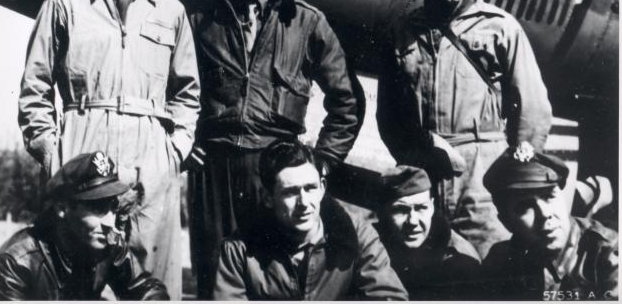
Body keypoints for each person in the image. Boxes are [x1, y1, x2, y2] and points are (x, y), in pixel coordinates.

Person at [17, 0, 201, 297]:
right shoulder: (66, 3)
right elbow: (35, 87)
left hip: (151, 157)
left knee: (152, 285)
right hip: (84, 148)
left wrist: (175, 150)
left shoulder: (170, 11)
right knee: (77, 280)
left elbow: (188, 92)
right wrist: (51, 151)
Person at [187, 0, 362, 296]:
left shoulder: (306, 22)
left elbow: (346, 101)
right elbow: (170, 87)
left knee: (272, 278)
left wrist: (323, 162)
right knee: (212, 275)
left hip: (275, 171)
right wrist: (185, 140)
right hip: (214, 169)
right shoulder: (201, 19)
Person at [376, 0, 553, 257]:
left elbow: (533, 111)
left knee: (490, 268)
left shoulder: (500, 28)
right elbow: (389, 117)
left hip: (485, 183)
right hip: (424, 181)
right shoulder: (403, 31)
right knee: (427, 276)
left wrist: (514, 181)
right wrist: (416, 155)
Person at [213, 140, 407, 300]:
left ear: (322, 188)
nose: (304, 202)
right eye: (290, 192)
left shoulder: (358, 235)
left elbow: (390, 297)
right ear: (268, 198)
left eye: (310, 188)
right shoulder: (238, 251)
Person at [0, 151, 169, 300]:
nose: (110, 223)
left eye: (113, 207)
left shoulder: (109, 242)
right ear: (62, 208)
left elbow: (149, 289)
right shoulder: (13, 266)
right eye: (98, 208)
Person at [482, 145, 618, 300]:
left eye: (549, 196)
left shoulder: (606, 253)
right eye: (525, 206)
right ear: (506, 222)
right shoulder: (501, 262)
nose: (545, 214)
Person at [375, 164, 481, 300]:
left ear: (432, 206)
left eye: (421, 208)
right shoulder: (369, 247)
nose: (412, 221)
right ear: (383, 212)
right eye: (401, 210)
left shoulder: (461, 261)